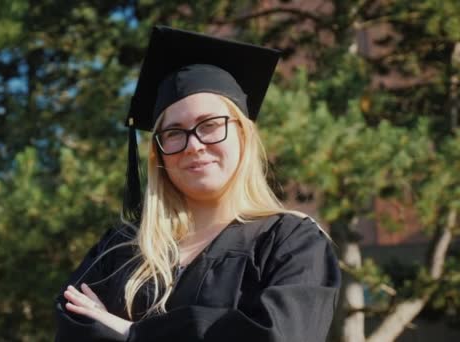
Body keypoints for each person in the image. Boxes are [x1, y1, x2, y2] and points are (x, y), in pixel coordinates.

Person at [54, 25, 341, 342]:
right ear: (158, 153)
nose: (194, 145)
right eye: (174, 133)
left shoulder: (290, 243)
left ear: (243, 135)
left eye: (210, 125)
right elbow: (75, 326)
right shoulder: (120, 248)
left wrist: (133, 332)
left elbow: (277, 336)